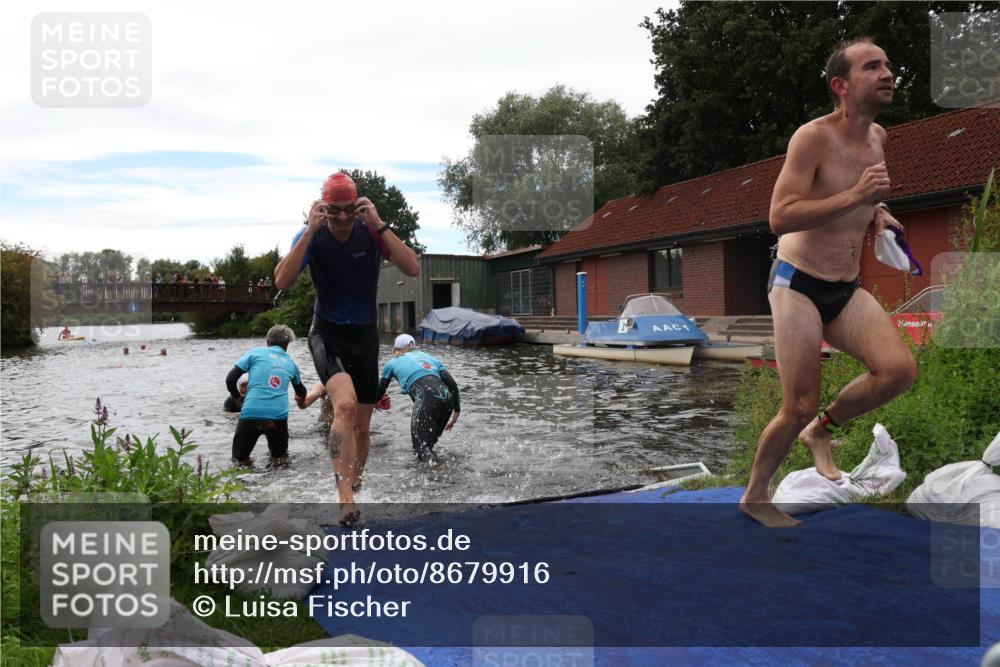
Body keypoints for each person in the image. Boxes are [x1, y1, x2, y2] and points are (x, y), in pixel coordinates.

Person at [739, 38, 917, 528]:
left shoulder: (878, 137)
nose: (887, 73)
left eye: (888, 64)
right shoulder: (812, 138)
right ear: (841, 86)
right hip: (797, 282)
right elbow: (781, 215)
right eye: (872, 66)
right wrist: (860, 195)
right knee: (796, 405)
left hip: (845, 285)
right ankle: (756, 495)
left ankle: (823, 431)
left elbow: (857, 198)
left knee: (898, 371)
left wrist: (877, 213)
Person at [274, 172, 420, 525]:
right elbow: (282, 280)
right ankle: (345, 496)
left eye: (348, 211)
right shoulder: (312, 233)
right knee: (347, 406)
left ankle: (355, 483)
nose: (341, 219)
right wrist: (309, 230)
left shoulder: (370, 231)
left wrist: (381, 224)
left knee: (363, 426)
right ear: (323, 208)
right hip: (327, 334)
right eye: (333, 210)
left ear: (357, 208)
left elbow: (413, 268)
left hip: (365, 337)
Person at [225, 324, 307, 468]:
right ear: (287, 345)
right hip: (278, 417)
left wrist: (237, 397)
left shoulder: (255, 353)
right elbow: (302, 392)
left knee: (239, 461)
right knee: (280, 462)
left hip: (251, 413)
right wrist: (299, 397)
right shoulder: (291, 363)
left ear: (268, 341)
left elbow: (230, 380)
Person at [375, 334, 460, 462]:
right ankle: (441, 472)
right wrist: (456, 411)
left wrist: (375, 402)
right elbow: (452, 384)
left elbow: (381, 388)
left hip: (427, 397)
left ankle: (440, 472)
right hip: (447, 399)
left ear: (396, 349)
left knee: (420, 447)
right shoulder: (430, 358)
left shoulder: (393, 361)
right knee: (428, 446)